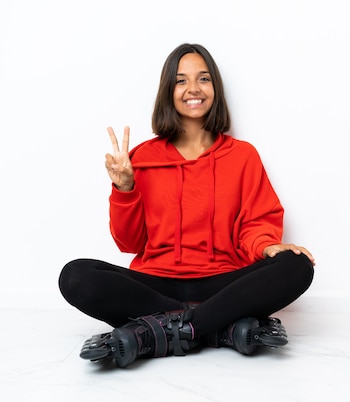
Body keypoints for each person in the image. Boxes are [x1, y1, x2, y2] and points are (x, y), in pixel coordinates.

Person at [58, 43, 315, 368]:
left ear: (215, 89)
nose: (193, 88)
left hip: (224, 282)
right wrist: (125, 189)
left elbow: (256, 224)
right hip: (156, 281)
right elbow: (129, 243)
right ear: (168, 91)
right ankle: (221, 328)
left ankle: (157, 331)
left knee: (297, 264)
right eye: (181, 81)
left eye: (203, 79)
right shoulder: (142, 158)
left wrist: (267, 248)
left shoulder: (242, 155)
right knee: (76, 276)